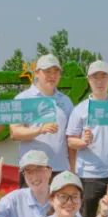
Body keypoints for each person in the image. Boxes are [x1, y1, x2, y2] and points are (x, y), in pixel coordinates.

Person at [66, 60, 108, 217]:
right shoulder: (80, 109)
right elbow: (70, 141)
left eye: (103, 77)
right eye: (95, 77)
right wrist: (82, 142)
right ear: (88, 80)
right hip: (89, 175)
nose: (99, 81)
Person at [10, 53, 75, 182]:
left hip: (61, 169)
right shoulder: (22, 99)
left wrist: (72, 168)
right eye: (47, 71)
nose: (52, 76)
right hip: (32, 168)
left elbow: (70, 137)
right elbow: (15, 133)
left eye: (56, 71)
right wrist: (40, 130)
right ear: (36, 73)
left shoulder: (66, 101)